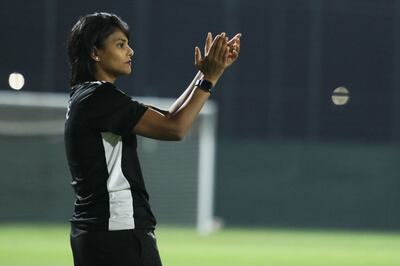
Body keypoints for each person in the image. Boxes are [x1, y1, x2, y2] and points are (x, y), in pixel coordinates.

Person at [64, 12, 241, 266]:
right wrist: (209, 78)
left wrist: (206, 74)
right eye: (120, 44)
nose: (131, 51)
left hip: (98, 232)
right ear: (95, 53)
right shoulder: (99, 97)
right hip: (117, 233)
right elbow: (175, 128)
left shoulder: (88, 96)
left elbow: (170, 115)